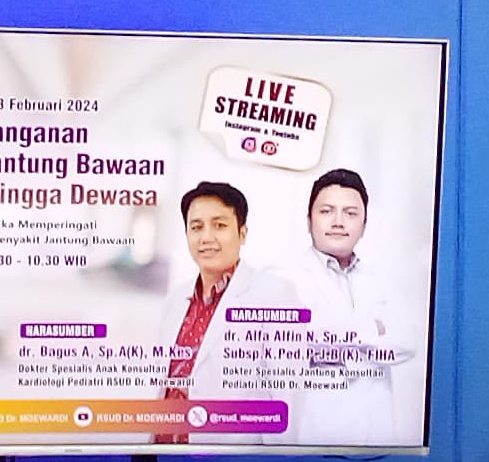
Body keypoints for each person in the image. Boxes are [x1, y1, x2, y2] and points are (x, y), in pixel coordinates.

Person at [153, 179, 304, 442]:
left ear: (242, 233)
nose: (206, 238)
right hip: (163, 454)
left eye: (219, 225)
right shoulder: (176, 299)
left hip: (229, 460)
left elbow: (286, 400)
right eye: (196, 227)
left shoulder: (275, 295)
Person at [289, 166, 423, 446]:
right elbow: (303, 339)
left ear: (364, 225)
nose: (338, 222)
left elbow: (409, 340)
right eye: (327, 211)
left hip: (378, 435)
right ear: (308, 220)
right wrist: (374, 329)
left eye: (350, 213)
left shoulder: (379, 277)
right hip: (318, 435)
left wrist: (341, 344)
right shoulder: (287, 277)